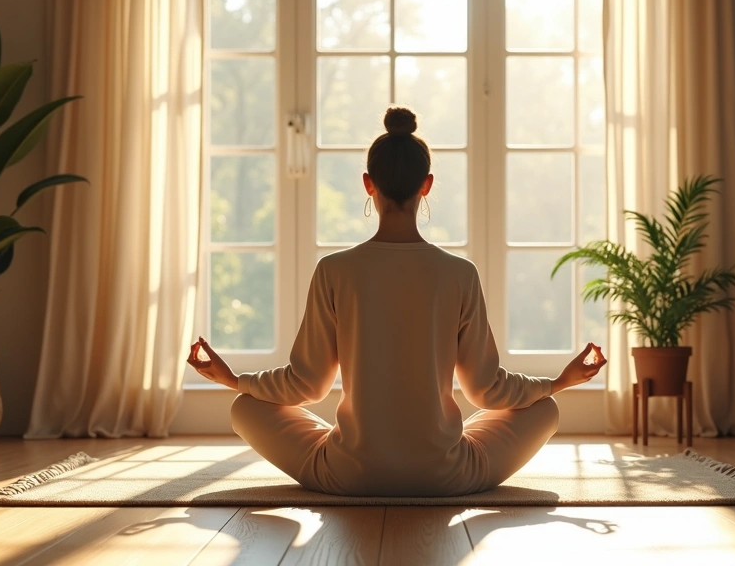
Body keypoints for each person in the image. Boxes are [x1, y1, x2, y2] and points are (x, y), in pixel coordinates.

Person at [187, 106, 605, 497]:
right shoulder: (459, 274)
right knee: (545, 409)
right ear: (427, 185)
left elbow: (306, 385)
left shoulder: (335, 270)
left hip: (348, 474)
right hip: (447, 475)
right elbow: (486, 390)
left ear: (368, 183)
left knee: (245, 407)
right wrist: (559, 382)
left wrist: (231, 378)